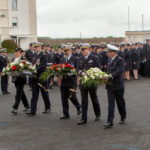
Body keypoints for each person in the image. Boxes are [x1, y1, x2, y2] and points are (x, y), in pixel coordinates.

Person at [77, 43, 101, 125]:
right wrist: (81, 73)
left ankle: (97, 114)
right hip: (83, 82)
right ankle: (84, 118)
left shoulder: (94, 57)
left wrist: (90, 74)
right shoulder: (80, 58)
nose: (82, 51)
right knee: (84, 100)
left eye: (84, 49)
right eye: (81, 50)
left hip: (92, 82)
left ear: (88, 49)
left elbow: (98, 68)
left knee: (94, 98)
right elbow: (78, 68)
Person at [104, 44, 126, 129]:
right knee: (111, 104)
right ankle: (110, 121)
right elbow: (108, 70)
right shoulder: (109, 59)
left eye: (108, 52)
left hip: (118, 85)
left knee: (120, 102)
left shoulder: (120, 60)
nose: (107, 53)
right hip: (110, 85)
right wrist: (104, 76)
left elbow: (119, 71)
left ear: (113, 52)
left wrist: (109, 76)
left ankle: (123, 116)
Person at [26, 42, 51, 116]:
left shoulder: (44, 55)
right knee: (34, 94)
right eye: (34, 47)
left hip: (41, 77)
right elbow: (32, 64)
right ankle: (32, 111)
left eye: (36, 47)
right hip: (34, 77)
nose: (35, 48)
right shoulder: (34, 55)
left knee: (44, 93)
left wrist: (34, 70)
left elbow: (43, 66)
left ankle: (48, 107)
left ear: (40, 47)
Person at [59, 46, 81, 119]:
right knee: (63, 98)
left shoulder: (75, 59)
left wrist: (70, 72)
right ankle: (66, 114)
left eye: (67, 50)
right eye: (64, 51)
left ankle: (78, 106)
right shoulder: (62, 59)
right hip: (64, 81)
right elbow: (60, 68)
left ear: (71, 51)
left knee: (72, 96)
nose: (65, 52)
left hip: (72, 80)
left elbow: (77, 69)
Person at [11, 48, 30, 114]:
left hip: (21, 78)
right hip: (15, 78)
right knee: (21, 93)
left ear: (21, 53)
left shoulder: (24, 60)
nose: (16, 54)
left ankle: (15, 108)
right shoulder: (13, 59)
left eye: (18, 53)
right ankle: (27, 106)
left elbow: (26, 69)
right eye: (15, 53)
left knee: (18, 93)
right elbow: (10, 68)